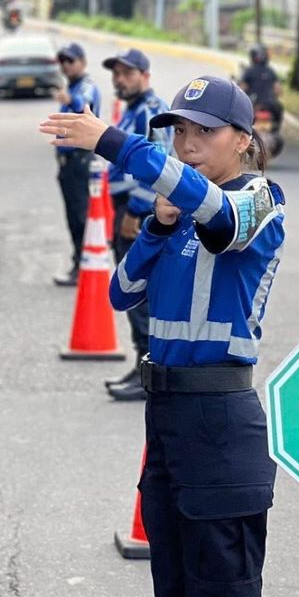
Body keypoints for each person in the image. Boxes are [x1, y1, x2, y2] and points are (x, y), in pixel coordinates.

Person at [40, 75, 286, 597]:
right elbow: (120, 292)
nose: (188, 143)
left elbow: (220, 216)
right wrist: (154, 225)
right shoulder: (177, 216)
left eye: (204, 131)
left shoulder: (259, 201)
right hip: (168, 418)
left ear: (243, 140)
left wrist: (115, 143)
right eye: (177, 132)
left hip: (220, 422)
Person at [100, 48, 172, 400]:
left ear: (145, 75)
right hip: (128, 207)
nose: (120, 79)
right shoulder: (133, 110)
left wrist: (136, 210)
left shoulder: (150, 112)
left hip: (139, 212)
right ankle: (142, 366)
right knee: (135, 294)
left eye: (127, 73)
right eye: (116, 73)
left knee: (140, 293)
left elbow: (157, 166)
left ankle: (149, 373)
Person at [50, 42, 102, 287]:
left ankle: (84, 266)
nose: (66, 66)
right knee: (73, 216)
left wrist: (69, 99)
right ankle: (80, 262)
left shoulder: (85, 87)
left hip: (79, 160)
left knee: (80, 216)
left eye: (71, 61)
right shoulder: (71, 86)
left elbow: (85, 105)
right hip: (67, 162)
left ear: (83, 62)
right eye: (63, 62)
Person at [239, 44, 282, 125]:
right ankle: (274, 130)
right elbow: (278, 90)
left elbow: (241, 89)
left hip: (255, 106)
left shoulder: (249, 71)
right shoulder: (270, 71)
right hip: (272, 106)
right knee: (279, 110)